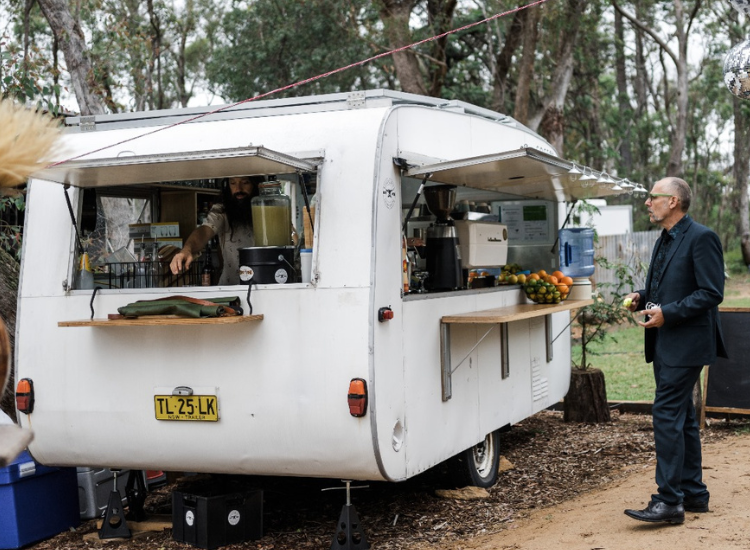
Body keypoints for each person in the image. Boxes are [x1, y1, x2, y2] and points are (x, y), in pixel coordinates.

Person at [623, 177, 727, 524]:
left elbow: (711, 292)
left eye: (653, 197)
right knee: (681, 418)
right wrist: (643, 295)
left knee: (666, 413)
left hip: (689, 343)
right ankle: (693, 494)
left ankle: (668, 501)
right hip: (666, 342)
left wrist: (668, 313)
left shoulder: (702, 237)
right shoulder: (665, 239)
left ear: (673, 202)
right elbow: (665, 285)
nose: (647, 202)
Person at [170, 176, 260, 285]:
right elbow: (204, 230)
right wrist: (187, 249)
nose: (238, 189)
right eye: (232, 183)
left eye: (245, 183)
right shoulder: (221, 210)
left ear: (256, 185)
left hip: (265, 286)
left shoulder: (267, 209)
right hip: (230, 289)